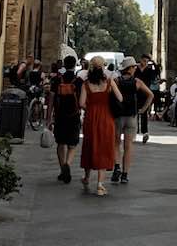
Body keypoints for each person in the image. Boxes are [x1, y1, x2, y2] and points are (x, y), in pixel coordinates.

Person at [79, 56, 123, 196]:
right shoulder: (109, 82)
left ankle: (86, 177)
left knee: (89, 146)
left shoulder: (86, 84)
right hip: (107, 118)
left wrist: (91, 108)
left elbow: (81, 103)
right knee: (104, 147)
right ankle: (100, 185)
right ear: (103, 67)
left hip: (91, 118)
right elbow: (120, 98)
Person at [111, 57, 153, 184]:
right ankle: (125, 174)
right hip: (131, 116)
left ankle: (117, 167)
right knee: (128, 146)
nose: (135, 68)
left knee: (116, 143)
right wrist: (143, 109)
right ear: (129, 68)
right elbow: (151, 95)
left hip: (118, 116)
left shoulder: (116, 81)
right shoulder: (137, 82)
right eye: (134, 67)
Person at [49, 55, 81, 184]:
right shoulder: (78, 81)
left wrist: (48, 117)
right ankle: (68, 163)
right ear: (74, 65)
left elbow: (51, 99)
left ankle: (63, 168)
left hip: (60, 115)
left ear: (64, 65)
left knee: (60, 143)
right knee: (72, 144)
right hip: (74, 115)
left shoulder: (57, 80)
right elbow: (82, 100)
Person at [135, 54, 158, 142]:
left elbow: (155, 74)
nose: (145, 63)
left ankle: (145, 132)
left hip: (145, 93)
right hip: (136, 92)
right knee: (134, 112)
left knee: (144, 112)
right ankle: (135, 130)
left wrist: (154, 64)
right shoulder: (136, 69)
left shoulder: (149, 70)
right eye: (144, 61)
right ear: (141, 60)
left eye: (147, 61)